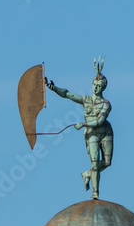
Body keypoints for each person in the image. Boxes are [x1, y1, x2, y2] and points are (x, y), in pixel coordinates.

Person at [45, 56, 113, 199]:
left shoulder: (106, 104)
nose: (95, 87)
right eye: (94, 84)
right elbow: (68, 94)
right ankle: (95, 192)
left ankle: (88, 173)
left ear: (103, 87)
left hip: (105, 132)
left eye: (99, 86)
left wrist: (82, 124)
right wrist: (54, 88)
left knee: (107, 162)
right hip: (91, 134)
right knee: (95, 162)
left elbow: (100, 121)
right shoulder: (86, 100)